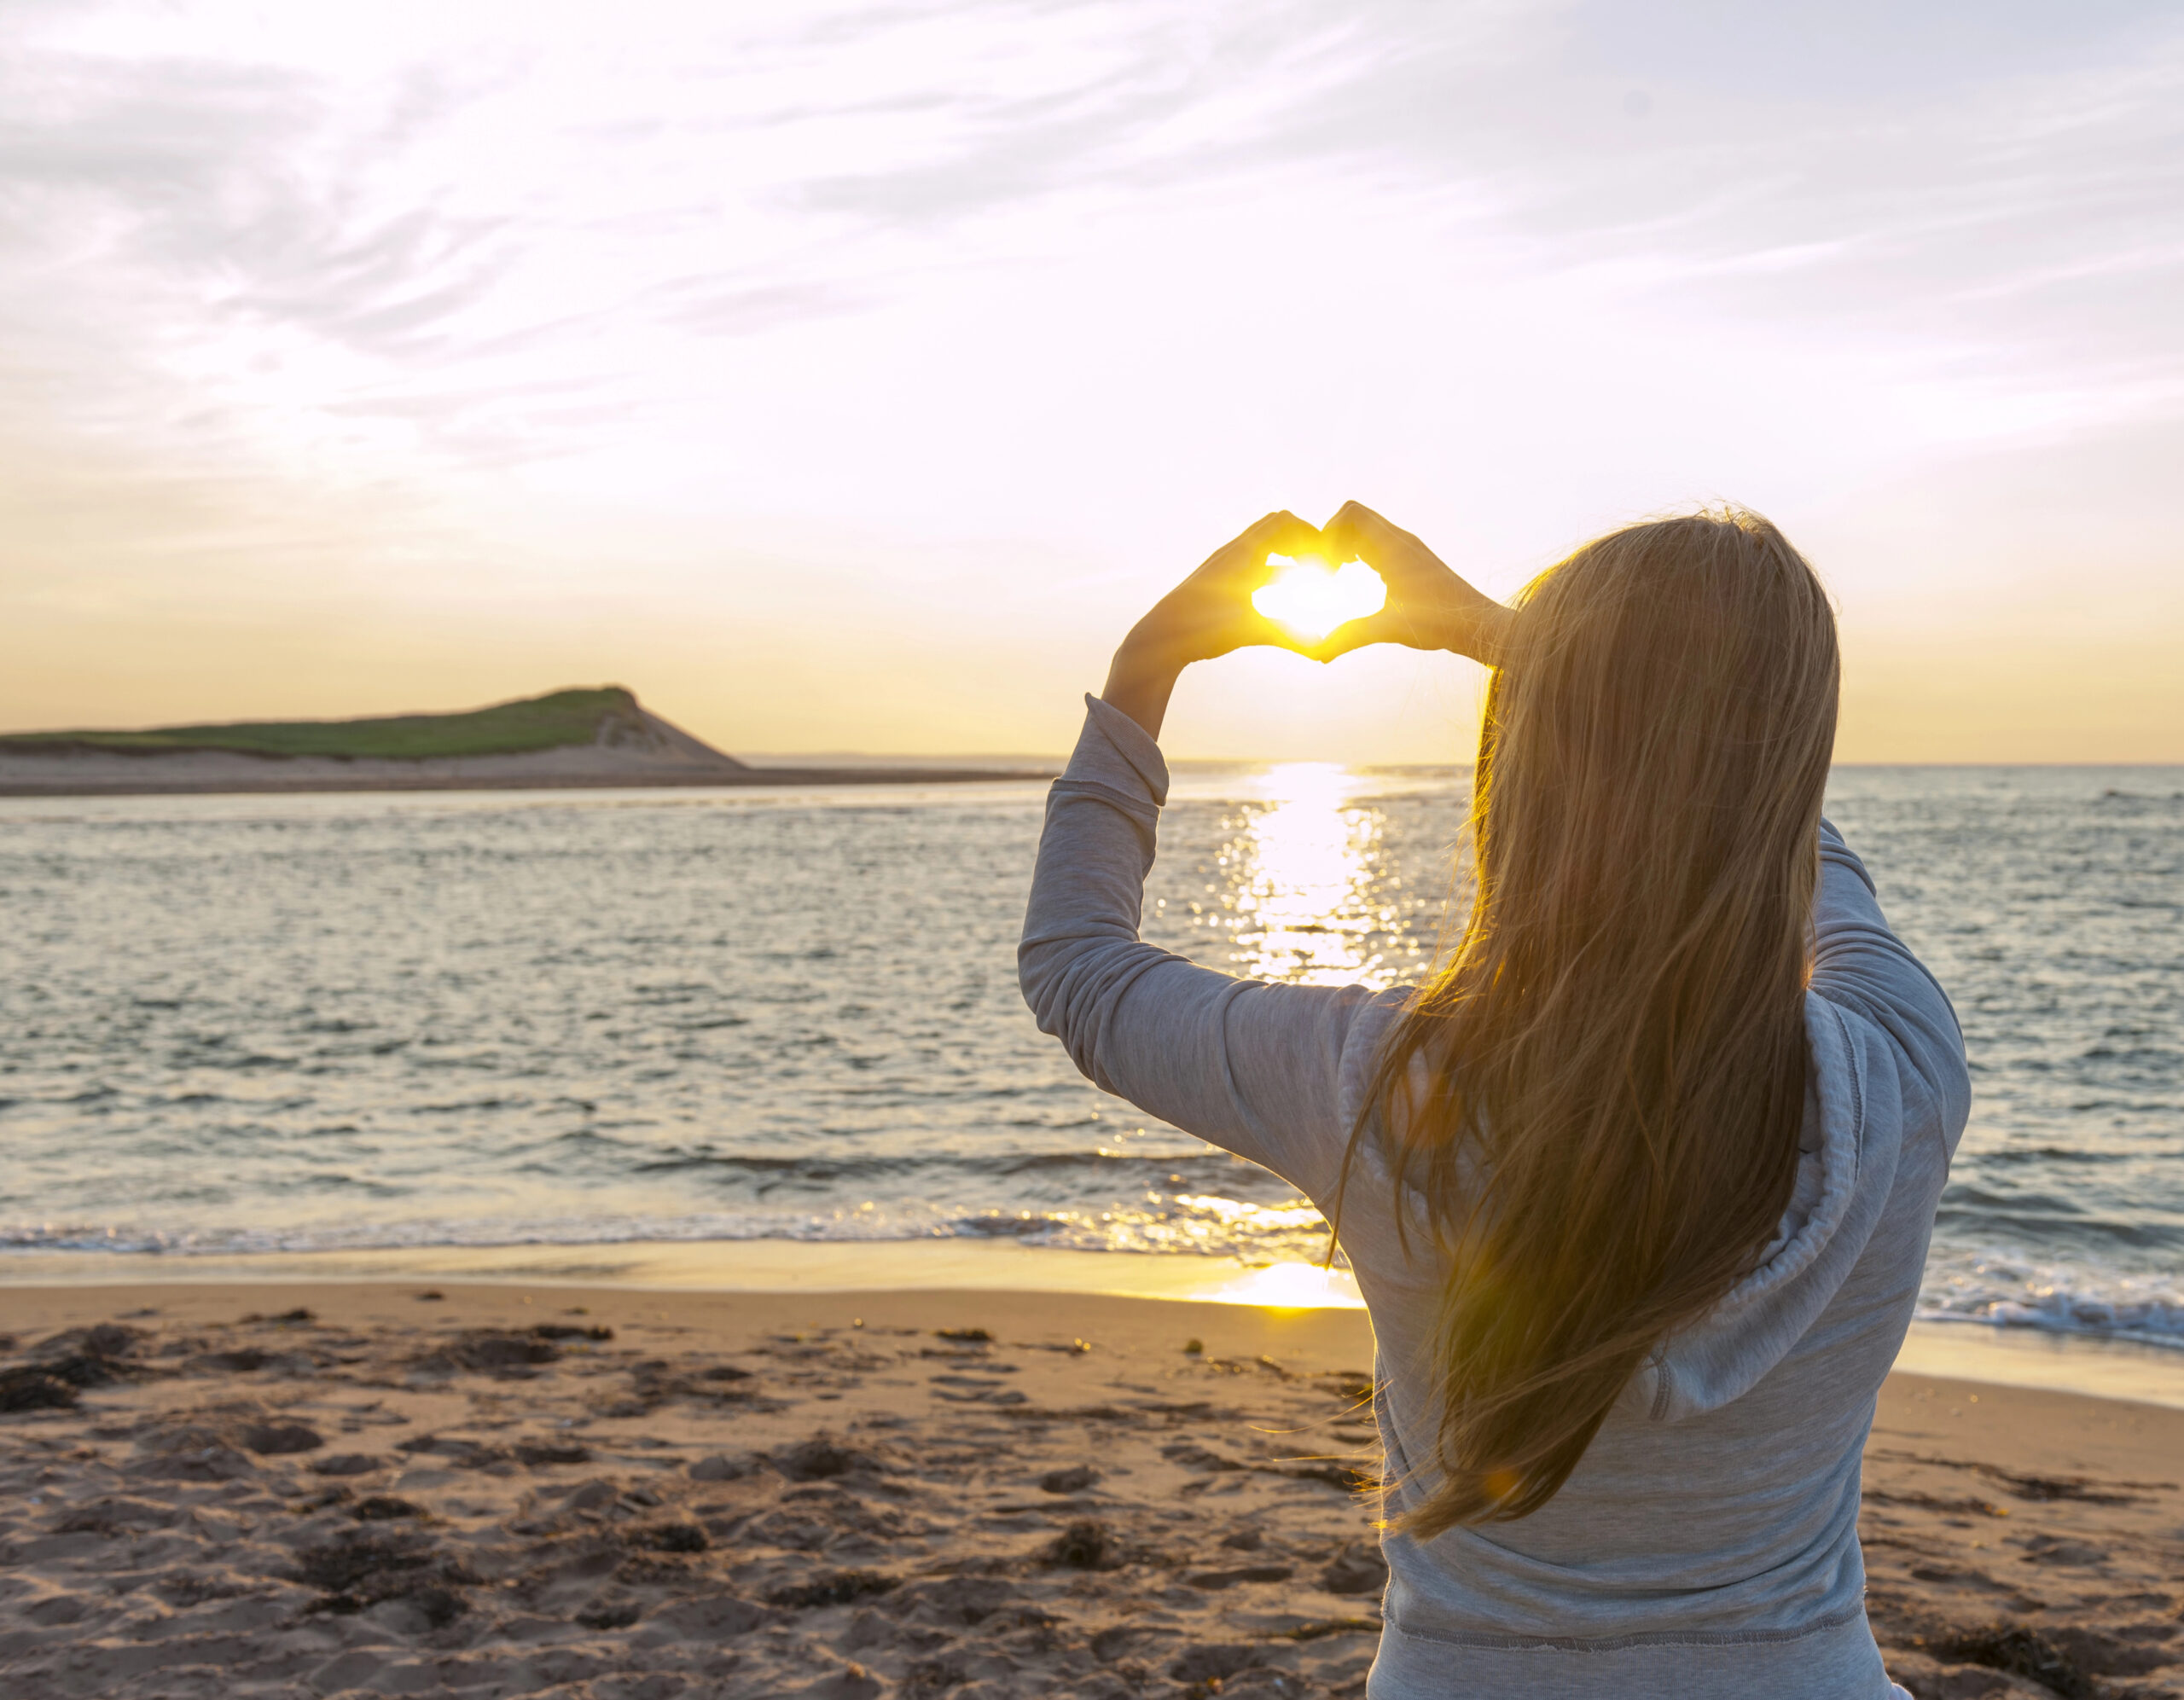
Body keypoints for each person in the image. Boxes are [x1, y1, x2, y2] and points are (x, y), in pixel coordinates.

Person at [1019, 503, 1968, 1699]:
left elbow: (1080, 970)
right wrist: (1514, 642)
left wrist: (1148, 664)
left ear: (1526, 774)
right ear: (1791, 762)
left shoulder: (1379, 1084)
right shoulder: (1903, 1068)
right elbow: (1795, 849)